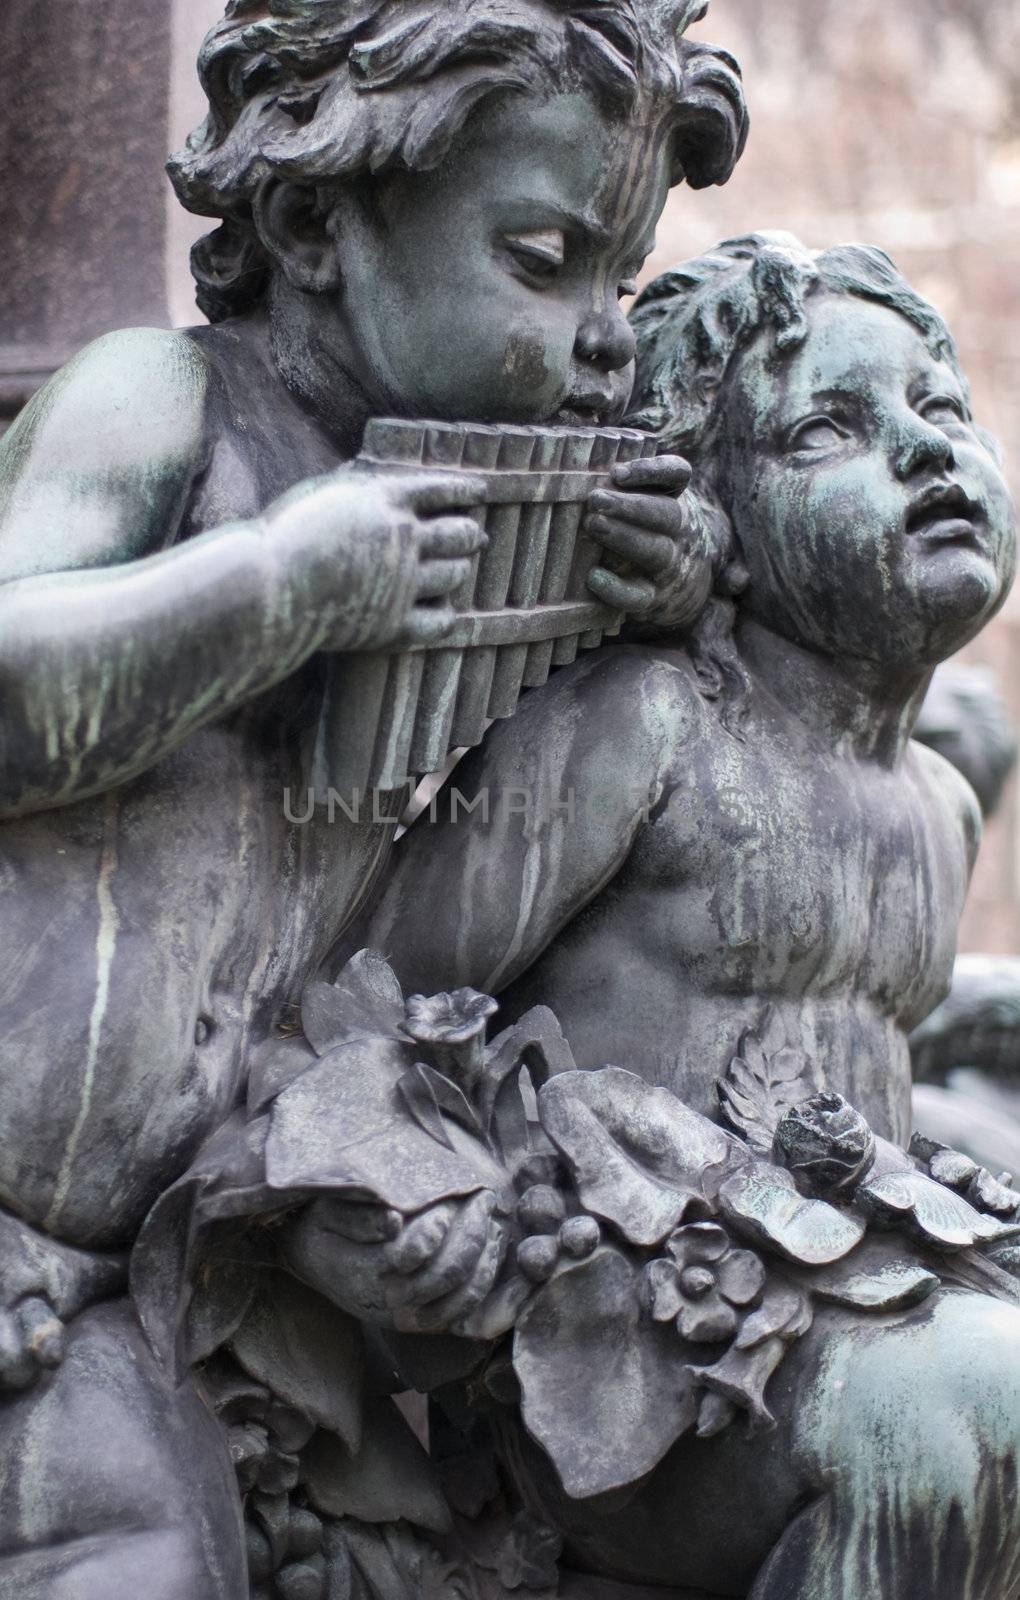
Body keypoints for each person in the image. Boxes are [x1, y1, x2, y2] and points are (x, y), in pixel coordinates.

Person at [0, 4, 747, 1594]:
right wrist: (275, 588)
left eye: (620, 278)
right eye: (544, 262)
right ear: (314, 224)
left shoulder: (488, 520)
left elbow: (394, 919)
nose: (605, 333)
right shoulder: (162, 404)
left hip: (181, 1231)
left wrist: (673, 597)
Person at [342, 233, 1020, 1598]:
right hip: (633, 1353)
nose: (925, 454)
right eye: (830, 428)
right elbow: (362, 993)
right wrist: (419, 1225)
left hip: (859, 1291)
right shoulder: (646, 732)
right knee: (966, 1407)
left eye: (941, 412)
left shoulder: (940, 808)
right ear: (718, 527)